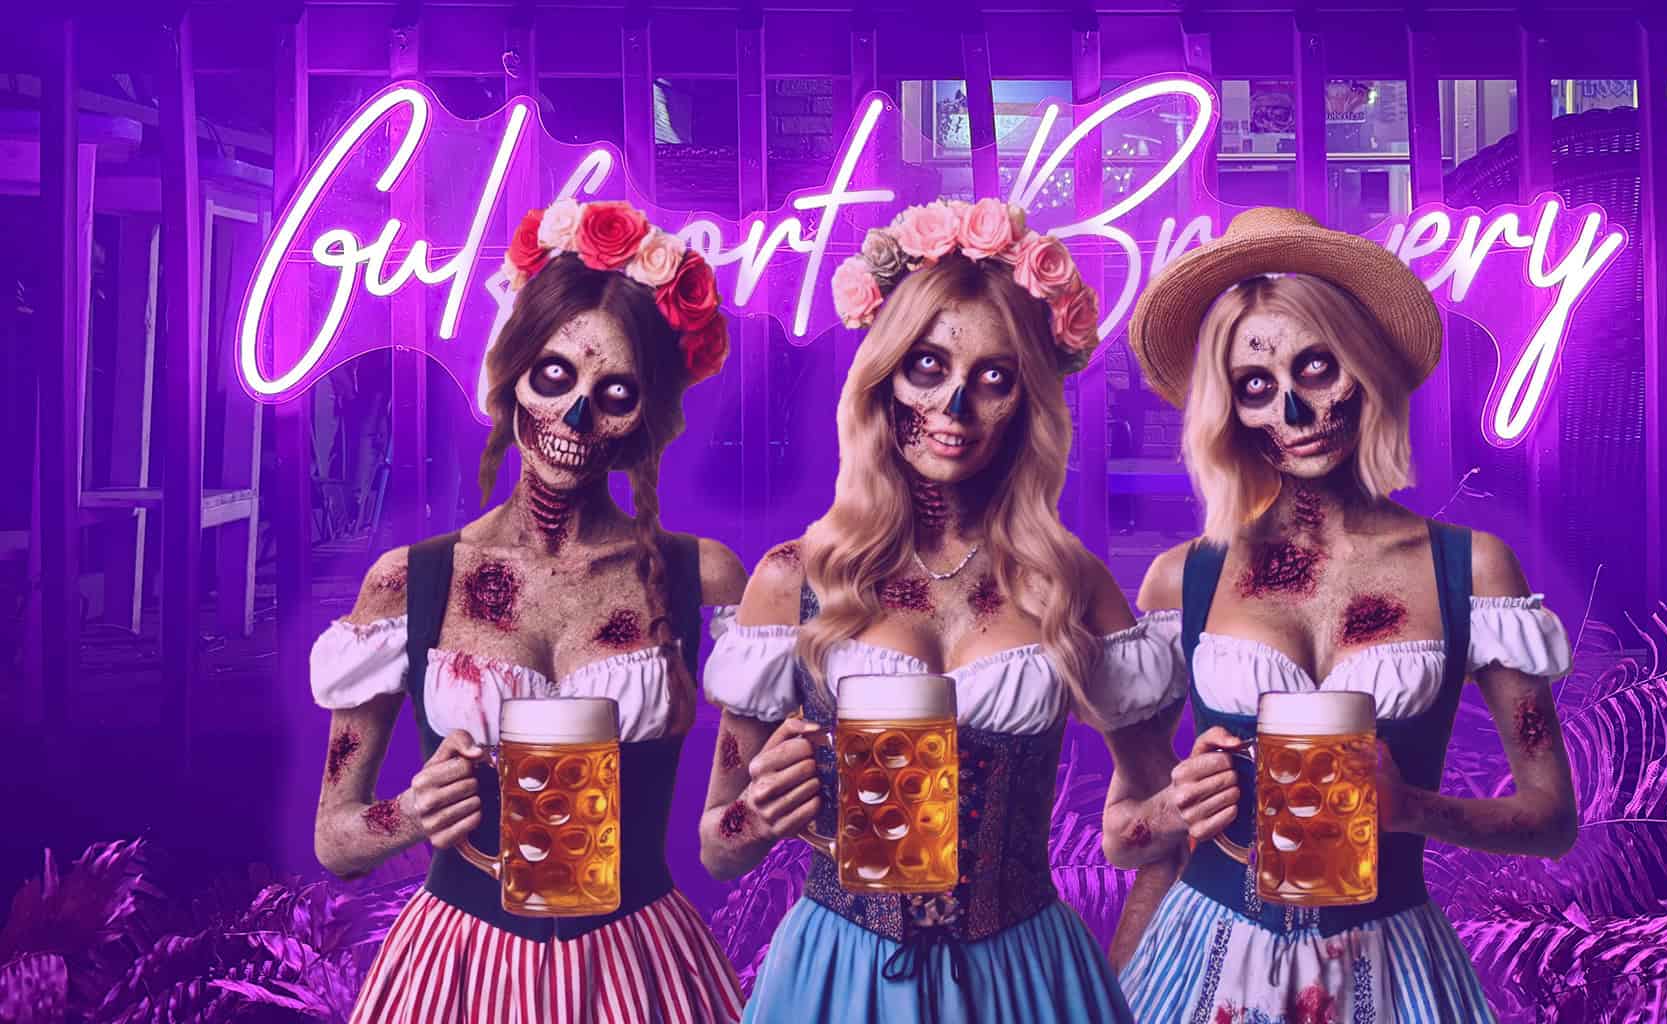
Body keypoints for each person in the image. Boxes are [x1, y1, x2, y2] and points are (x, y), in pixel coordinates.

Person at [698, 200, 1180, 1022]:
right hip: (839, 979)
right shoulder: (794, 579)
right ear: (883, 380)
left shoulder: (1069, 584)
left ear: (1026, 404)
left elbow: (1154, 824)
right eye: (926, 366)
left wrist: (1118, 984)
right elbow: (719, 848)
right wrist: (760, 812)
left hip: (1024, 977)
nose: (954, 405)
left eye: (993, 379)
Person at [1109, 207, 1578, 1023]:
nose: (1291, 410)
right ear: (1233, 411)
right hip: (1198, 959)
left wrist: (1413, 810)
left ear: (1363, 369)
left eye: (1316, 367)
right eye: (1257, 387)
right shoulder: (1180, 580)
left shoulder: (1470, 569)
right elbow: (1126, 838)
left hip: (1387, 965)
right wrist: (1173, 810)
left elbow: (1552, 820)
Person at [309, 198, 746, 1022]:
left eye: (614, 391)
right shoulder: (411, 583)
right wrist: (411, 812)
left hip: (637, 965)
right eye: (556, 376)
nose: (577, 417)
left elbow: (731, 831)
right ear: (510, 375)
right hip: (458, 968)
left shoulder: (700, 580)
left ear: (643, 418)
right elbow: (335, 840)